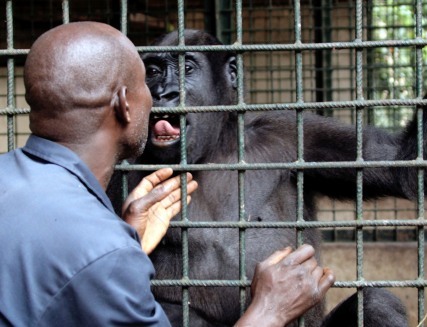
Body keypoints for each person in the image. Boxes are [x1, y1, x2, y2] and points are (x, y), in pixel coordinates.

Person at [0, 22, 334, 326]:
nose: (161, 93)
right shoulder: (105, 248)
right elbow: (92, 256)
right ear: (125, 104)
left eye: (185, 69)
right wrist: (270, 312)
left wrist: (126, 237)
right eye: (150, 79)